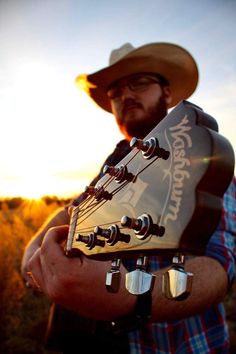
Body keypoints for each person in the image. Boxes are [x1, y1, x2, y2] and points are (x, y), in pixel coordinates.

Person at [21, 42, 236, 353]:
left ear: (166, 92)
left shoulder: (201, 158)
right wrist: (33, 252)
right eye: (115, 91)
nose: (125, 95)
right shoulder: (114, 166)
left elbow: (218, 267)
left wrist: (130, 295)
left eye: (139, 82)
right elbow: (73, 213)